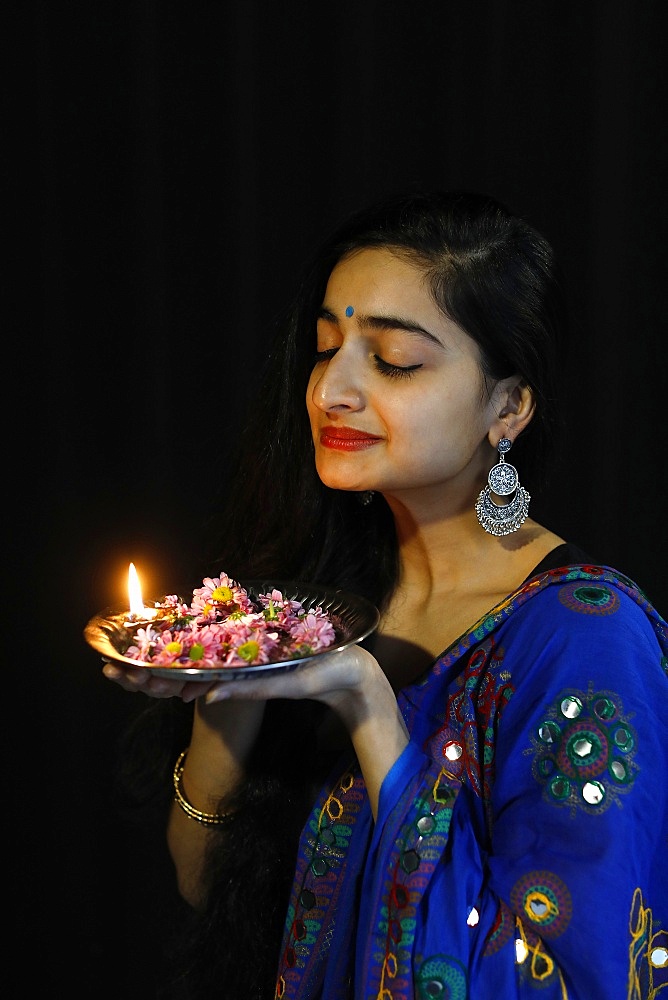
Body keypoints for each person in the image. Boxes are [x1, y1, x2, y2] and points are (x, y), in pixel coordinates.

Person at [103, 189, 668, 1000]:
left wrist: (370, 707)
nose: (333, 388)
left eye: (394, 360)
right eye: (327, 346)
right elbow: (213, 896)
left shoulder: (583, 637)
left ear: (507, 408)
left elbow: (562, 978)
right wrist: (222, 693)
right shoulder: (321, 591)